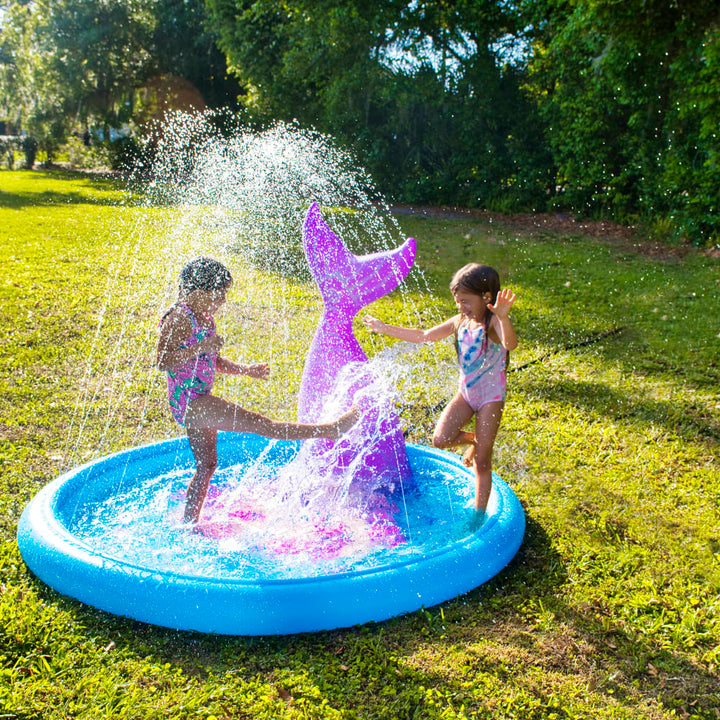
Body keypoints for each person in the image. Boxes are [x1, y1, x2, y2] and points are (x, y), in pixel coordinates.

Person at [157, 257, 360, 524]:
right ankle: (329, 430)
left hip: (196, 400)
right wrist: (201, 347)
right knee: (262, 424)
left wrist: (245, 369)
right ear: (197, 291)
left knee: (207, 466)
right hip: (191, 401)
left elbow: (210, 361)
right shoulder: (179, 318)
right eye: (218, 295)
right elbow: (163, 361)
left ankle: (188, 524)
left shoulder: (203, 318)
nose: (222, 302)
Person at [364, 263, 517, 515]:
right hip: (466, 394)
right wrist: (384, 328)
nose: (461, 307)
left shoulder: (493, 324)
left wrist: (502, 316)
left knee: (482, 461)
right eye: (458, 301)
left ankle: (478, 514)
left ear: (486, 297)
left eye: (466, 301)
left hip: (491, 398)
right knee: (441, 439)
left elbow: (511, 344)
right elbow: (424, 335)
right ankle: (477, 440)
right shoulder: (460, 322)